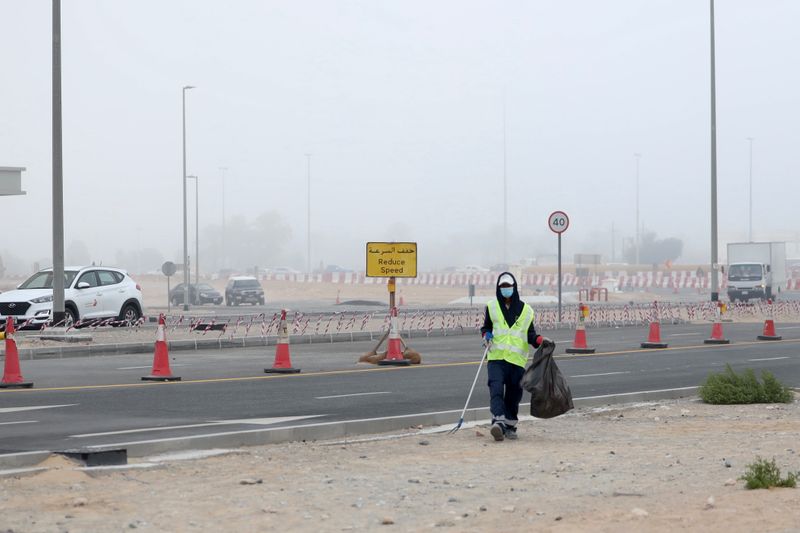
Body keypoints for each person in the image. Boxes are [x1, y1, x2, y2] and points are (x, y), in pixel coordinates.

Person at [480, 272, 548, 441]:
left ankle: (510, 425)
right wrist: (486, 335)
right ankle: (498, 421)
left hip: (516, 360)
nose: (505, 289)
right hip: (496, 357)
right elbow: (486, 327)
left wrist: (539, 340)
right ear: (498, 288)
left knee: (513, 394)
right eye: (502, 287)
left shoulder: (526, 310)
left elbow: (530, 335)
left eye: (508, 286)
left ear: (514, 287)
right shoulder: (491, 306)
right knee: (495, 388)